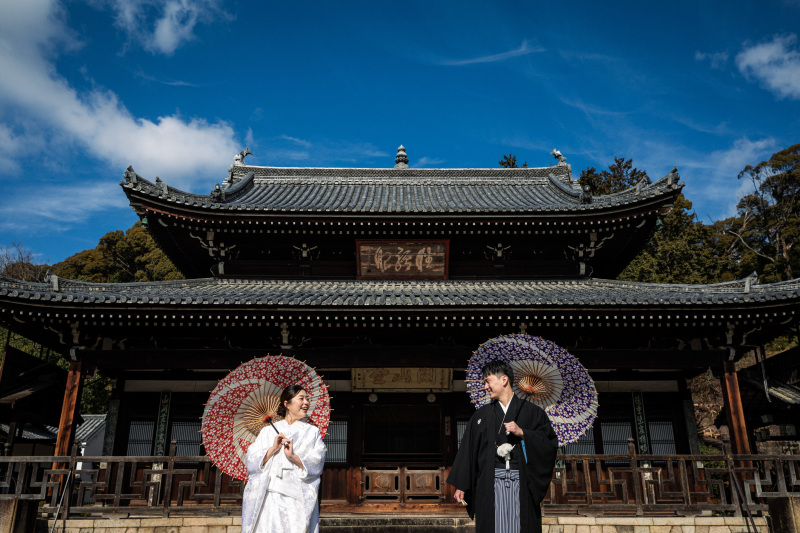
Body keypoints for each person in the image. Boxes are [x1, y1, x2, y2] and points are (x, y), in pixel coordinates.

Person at [447, 360, 558, 533]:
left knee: (520, 525)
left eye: (488, 381)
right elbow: (468, 450)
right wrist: (462, 484)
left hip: (521, 483)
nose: (485, 386)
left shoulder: (533, 413)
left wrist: (523, 433)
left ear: (504, 380)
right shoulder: (481, 416)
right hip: (489, 482)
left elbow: (548, 443)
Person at [241, 385, 327, 533]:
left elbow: (317, 460)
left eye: (307, 399)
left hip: (297, 494)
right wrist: (272, 449)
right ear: (287, 404)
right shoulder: (267, 431)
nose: (306, 402)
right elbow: (251, 460)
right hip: (270, 493)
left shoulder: (312, 432)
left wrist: (293, 457)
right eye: (301, 398)